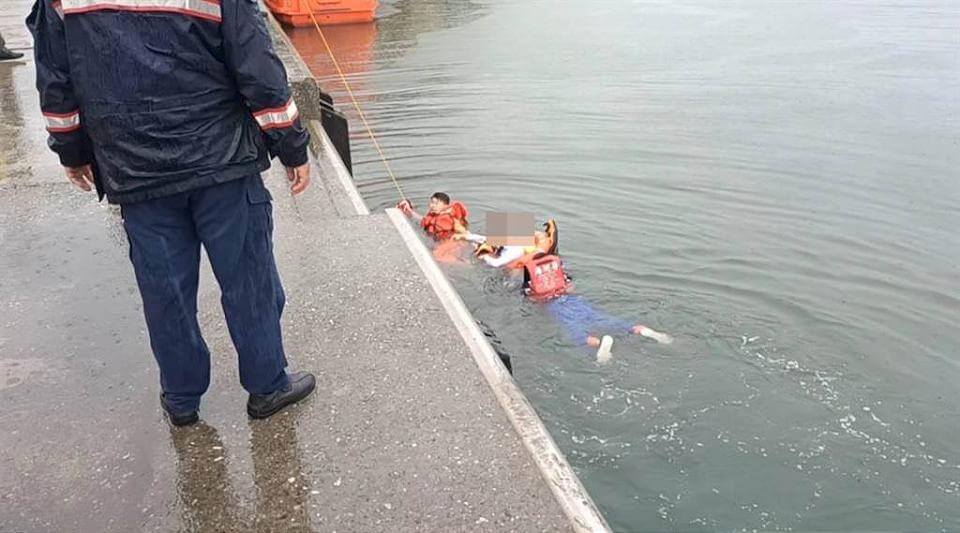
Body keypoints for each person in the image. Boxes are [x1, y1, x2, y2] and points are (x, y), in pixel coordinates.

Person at [28, 0, 316, 426]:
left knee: (166, 292)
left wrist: (72, 151)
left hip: (136, 169)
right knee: (248, 279)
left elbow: (55, 77)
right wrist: (291, 145)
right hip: (221, 161)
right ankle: (267, 385)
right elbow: (257, 65)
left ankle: (182, 398)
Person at [463, 220, 672, 355]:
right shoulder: (548, 259)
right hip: (570, 297)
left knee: (574, 331)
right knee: (599, 317)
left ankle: (598, 346)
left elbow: (526, 291)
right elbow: (569, 285)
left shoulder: (517, 265)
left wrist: (478, 249)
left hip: (552, 304)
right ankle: (641, 330)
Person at [397, 192, 471, 262]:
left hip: (453, 241)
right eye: (431, 202)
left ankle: (464, 263)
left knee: (437, 256)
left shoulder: (451, 218)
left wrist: (473, 242)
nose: (432, 205)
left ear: (446, 205)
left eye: (436, 203)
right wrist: (409, 210)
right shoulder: (434, 215)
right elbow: (424, 220)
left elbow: (465, 233)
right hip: (439, 241)